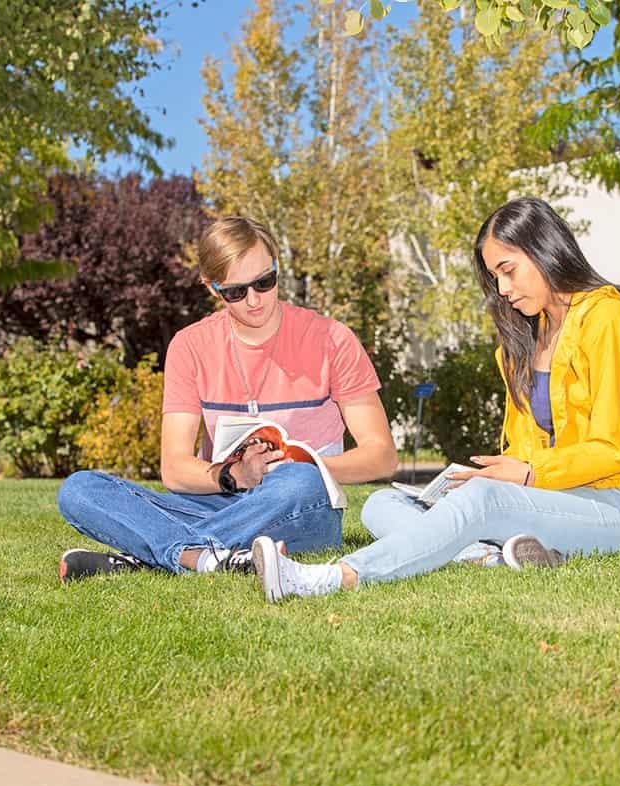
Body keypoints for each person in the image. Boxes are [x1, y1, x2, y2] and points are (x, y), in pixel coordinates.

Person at [249, 197, 620, 602]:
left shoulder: (609, 317)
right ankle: (490, 556)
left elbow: (614, 448)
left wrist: (525, 475)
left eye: (509, 270)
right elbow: (526, 448)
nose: (503, 288)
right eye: (495, 277)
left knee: (482, 502)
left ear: (545, 249)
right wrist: (499, 475)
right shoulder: (529, 336)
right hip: (558, 498)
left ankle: (328, 577)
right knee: (382, 504)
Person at [57, 215, 398, 583]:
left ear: (277, 267)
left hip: (301, 505)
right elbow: (174, 469)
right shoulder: (190, 346)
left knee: (298, 480)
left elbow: (382, 456)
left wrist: (303, 466)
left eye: (265, 283)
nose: (254, 301)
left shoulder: (333, 339)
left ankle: (161, 554)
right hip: (214, 501)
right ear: (212, 287)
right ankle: (211, 556)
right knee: (79, 489)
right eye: (235, 291)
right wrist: (235, 475)